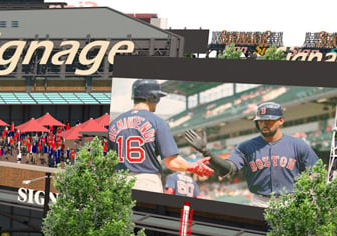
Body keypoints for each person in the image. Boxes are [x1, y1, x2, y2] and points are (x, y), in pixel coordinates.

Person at [185, 101, 319, 207]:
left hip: (290, 200)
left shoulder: (298, 145)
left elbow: (316, 172)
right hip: (259, 202)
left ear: (281, 120)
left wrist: (309, 197)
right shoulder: (246, 147)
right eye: (261, 120)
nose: (264, 124)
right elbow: (228, 168)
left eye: (269, 120)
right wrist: (206, 152)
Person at [108, 79, 212, 192]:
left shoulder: (114, 123)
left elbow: (108, 161)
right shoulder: (157, 121)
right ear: (153, 97)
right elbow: (172, 162)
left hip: (119, 182)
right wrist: (194, 166)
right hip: (146, 182)